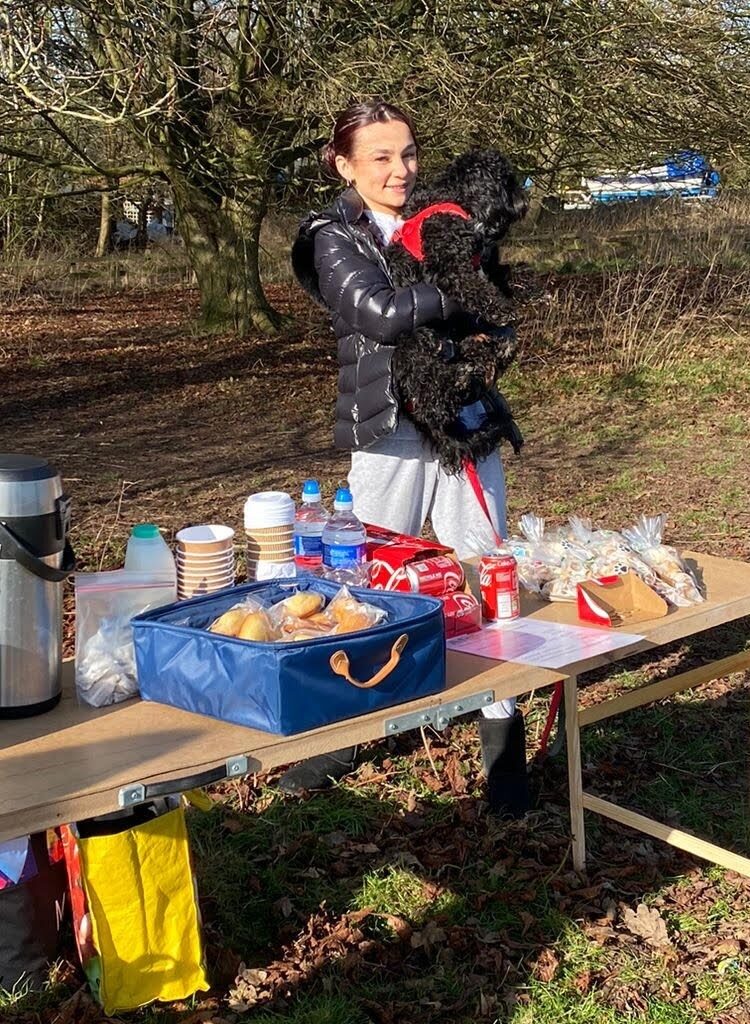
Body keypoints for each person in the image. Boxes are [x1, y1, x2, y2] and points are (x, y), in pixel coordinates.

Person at [283, 100, 529, 817]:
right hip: (387, 428)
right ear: (343, 163)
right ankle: (340, 731)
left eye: (410, 154)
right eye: (382, 157)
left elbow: (491, 303)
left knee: (486, 566)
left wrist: (488, 324)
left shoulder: (443, 215)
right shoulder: (330, 235)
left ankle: (501, 741)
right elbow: (380, 315)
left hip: (460, 417)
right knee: (361, 579)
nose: (400, 170)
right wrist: (459, 287)